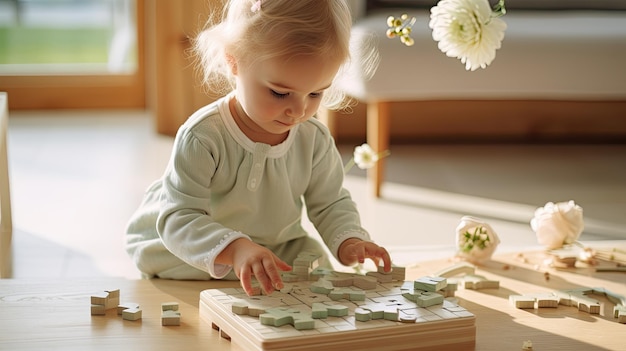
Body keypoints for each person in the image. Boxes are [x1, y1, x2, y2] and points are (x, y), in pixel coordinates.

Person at [125, 0, 391, 296]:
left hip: (276, 245)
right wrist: (236, 249)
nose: (298, 110)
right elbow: (181, 217)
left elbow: (329, 203)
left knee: (315, 268)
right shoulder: (203, 136)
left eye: (316, 93)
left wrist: (349, 240)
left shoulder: (313, 138)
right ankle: (231, 266)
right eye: (280, 93)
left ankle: (256, 271)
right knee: (172, 263)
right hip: (191, 241)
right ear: (233, 60)